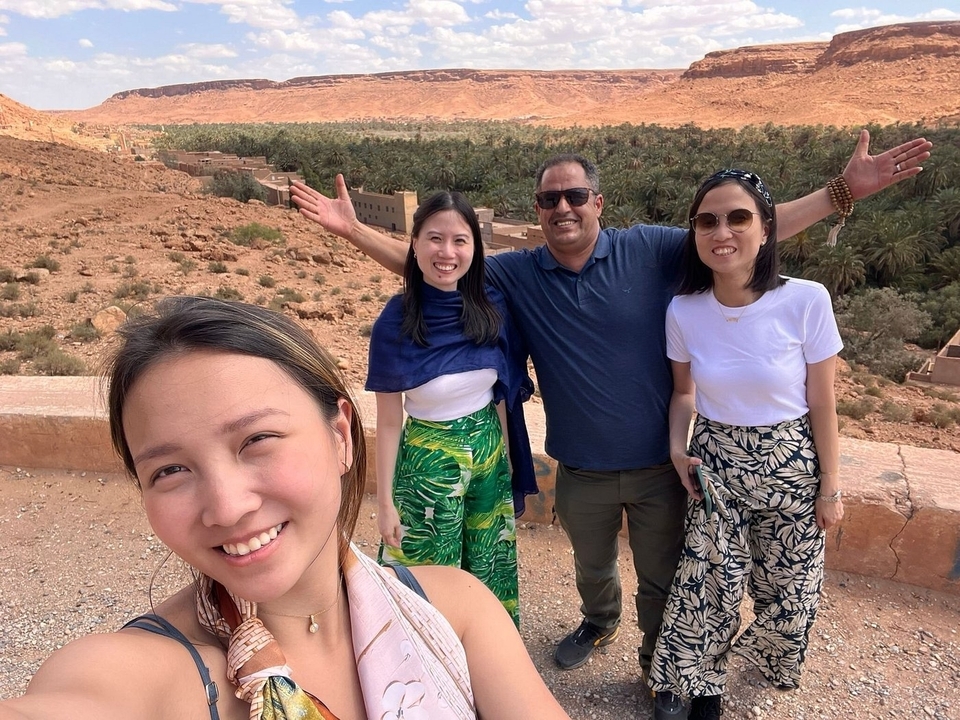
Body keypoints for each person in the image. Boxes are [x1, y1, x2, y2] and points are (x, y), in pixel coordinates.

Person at [290, 129, 931, 720]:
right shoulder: (518, 273)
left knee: (662, 575)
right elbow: (438, 269)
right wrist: (352, 231)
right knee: (592, 566)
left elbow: (740, 230)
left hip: (657, 463)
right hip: (580, 465)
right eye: (549, 199)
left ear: (598, 202)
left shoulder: (647, 249)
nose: (563, 208)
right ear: (539, 209)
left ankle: (660, 667)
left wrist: (841, 193)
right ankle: (598, 622)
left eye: (575, 195)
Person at [0, 296, 570, 720]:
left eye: (257, 440)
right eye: (170, 470)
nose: (226, 508)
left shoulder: (454, 612)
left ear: (340, 436)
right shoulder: (151, 675)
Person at [647, 169, 845, 720]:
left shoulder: (806, 300)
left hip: (791, 463)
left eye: (738, 218)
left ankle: (764, 659)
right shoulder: (684, 310)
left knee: (792, 591)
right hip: (716, 462)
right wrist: (677, 449)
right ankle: (696, 683)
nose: (722, 232)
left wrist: (830, 486)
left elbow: (823, 402)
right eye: (707, 221)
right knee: (708, 581)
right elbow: (683, 393)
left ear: (766, 228)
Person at [365, 190, 535, 627]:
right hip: (428, 465)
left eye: (460, 240)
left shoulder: (490, 308)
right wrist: (385, 503)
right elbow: (389, 423)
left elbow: (501, 391)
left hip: (488, 457)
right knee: (427, 574)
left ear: (475, 248)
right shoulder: (396, 321)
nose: (447, 252)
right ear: (414, 244)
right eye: (435, 238)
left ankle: (487, 652)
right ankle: (426, 659)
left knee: (488, 565)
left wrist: (508, 461)